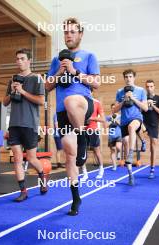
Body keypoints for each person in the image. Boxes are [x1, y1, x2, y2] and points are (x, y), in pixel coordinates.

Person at [45, 17, 100, 215]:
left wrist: (74, 71)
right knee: (70, 155)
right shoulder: (56, 60)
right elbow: (47, 86)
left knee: (70, 101)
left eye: (72, 31)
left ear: (80, 34)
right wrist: (60, 71)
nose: (69, 35)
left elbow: (96, 83)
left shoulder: (89, 56)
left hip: (82, 104)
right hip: (62, 113)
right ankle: (76, 198)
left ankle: (83, 138)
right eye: (66, 32)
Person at [3, 48, 47, 202]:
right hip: (14, 124)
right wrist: (12, 91)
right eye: (17, 59)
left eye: (22, 58)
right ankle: (23, 191)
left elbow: (41, 101)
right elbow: (5, 102)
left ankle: (42, 177)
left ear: (29, 61)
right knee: (17, 159)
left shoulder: (37, 79)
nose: (19, 61)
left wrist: (22, 91)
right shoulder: (12, 80)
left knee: (32, 158)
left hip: (30, 124)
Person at [114, 69, 148, 185]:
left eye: (130, 76)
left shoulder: (141, 90)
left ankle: (131, 152)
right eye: (126, 77)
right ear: (124, 78)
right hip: (124, 121)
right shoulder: (119, 92)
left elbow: (145, 108)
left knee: (132, 127)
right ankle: (130, 175)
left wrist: (133, 98)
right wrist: (123, 101)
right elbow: (114, 110)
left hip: (136, 118)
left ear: (134, 78)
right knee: (126, 142)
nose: (128, 79)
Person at [143, 79, 159, 178]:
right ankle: (142, 142)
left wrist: (153, 105)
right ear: (145, 87)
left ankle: (152, 169)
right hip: (143, 122)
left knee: (153, 146)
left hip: (153, 124)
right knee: (135, 130)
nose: (149, 88)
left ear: (154, 87)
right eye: (147, 86)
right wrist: (145, 104)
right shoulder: (143, 97)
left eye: (151, 86)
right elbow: (139, 109)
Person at [81, 97, 105, 181]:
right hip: (82, 130)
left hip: (93, 130)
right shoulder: (79, 101)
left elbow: (103, 119)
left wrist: (90, 118)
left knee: (96, 151)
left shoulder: (97, 102)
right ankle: (84, 173)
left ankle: (101, 169)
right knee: (82, 152)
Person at [106, 103, 122, 171]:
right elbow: (105, 125)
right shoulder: (108, 117)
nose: (113, 109)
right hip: (111, 136)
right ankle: (114, 166)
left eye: (114, 108)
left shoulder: (121, 116)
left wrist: (116, 120)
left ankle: (119, 152)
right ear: (111, 109)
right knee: (112, 150)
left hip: (119, 135)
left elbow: (121, 124)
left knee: (118, 147)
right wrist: (111, 120)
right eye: (112, 108)